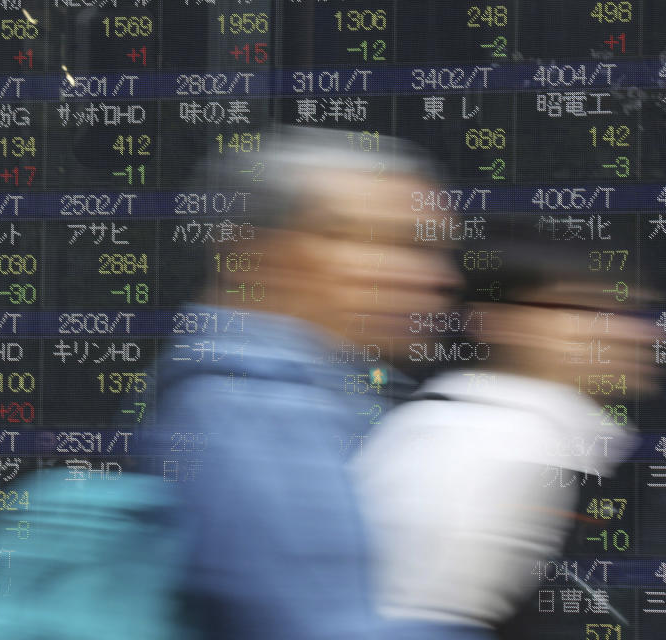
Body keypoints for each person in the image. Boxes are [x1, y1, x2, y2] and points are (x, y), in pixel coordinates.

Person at [157, 126, 460, 639]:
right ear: (253, 253)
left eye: (433, 248)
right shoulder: (255, 407)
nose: (435, 277)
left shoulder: (315, 390)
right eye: (388, 242)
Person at [351, 224, 651, 639]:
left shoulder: (491, 431)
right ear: (498, 322)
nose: (630, 333)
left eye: (627, 312)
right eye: (584, 309)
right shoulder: (491, 448)